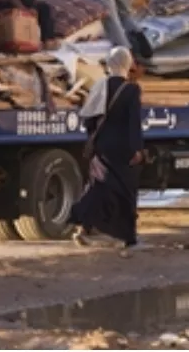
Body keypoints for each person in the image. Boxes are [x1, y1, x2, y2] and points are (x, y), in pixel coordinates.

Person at [70, 47, 145, 251]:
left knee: (101, 186)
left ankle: (84, 226)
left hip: (102, 146)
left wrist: (94, 141)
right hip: (123, 148)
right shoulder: (131, 90)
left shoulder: (99, 87)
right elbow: (133, 122)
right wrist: (137, 148)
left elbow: (89, 120)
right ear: (127, 64)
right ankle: (129, 237)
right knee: (125, 192)